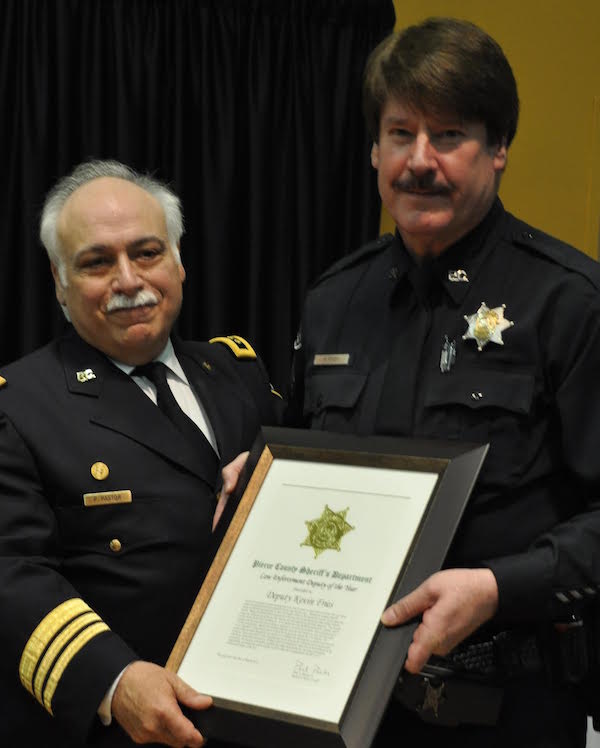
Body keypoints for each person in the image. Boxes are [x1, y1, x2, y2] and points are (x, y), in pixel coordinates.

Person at [287, 17, 600, 748]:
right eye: (400, 133)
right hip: (344, 704)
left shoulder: (571, 302)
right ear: (373, 149)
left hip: (509, 708)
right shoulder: (333, 300)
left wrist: (497, 588)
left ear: (498, 150)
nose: (419, 161)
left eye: (450, 135)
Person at [0, 160, 281, 747]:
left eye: (147, 252)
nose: (129, 280)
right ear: (59, 281)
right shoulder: (19, 404)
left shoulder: (238, 373)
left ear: (179, 261)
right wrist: (114, 680)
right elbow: (10, 574)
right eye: (97, 262)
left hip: (263, 718)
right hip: (116, 730)